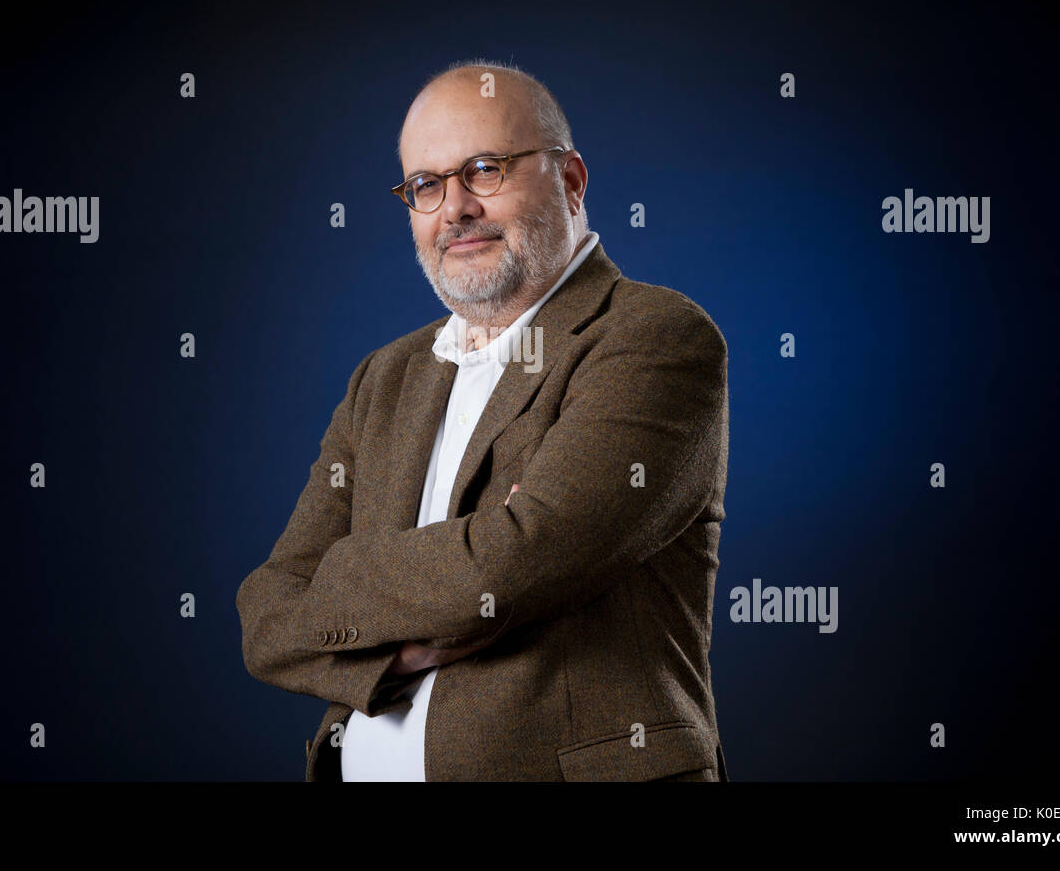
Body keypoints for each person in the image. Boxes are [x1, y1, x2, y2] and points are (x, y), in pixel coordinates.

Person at [236, 59, 731, 781]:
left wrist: (338, 576)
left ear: (570, 181)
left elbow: (508, 564)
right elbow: (267, 617)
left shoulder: (653, 336)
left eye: (485, 170)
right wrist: (399, 651)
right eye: (427, 186)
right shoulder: (386, 376)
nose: (454, 208)